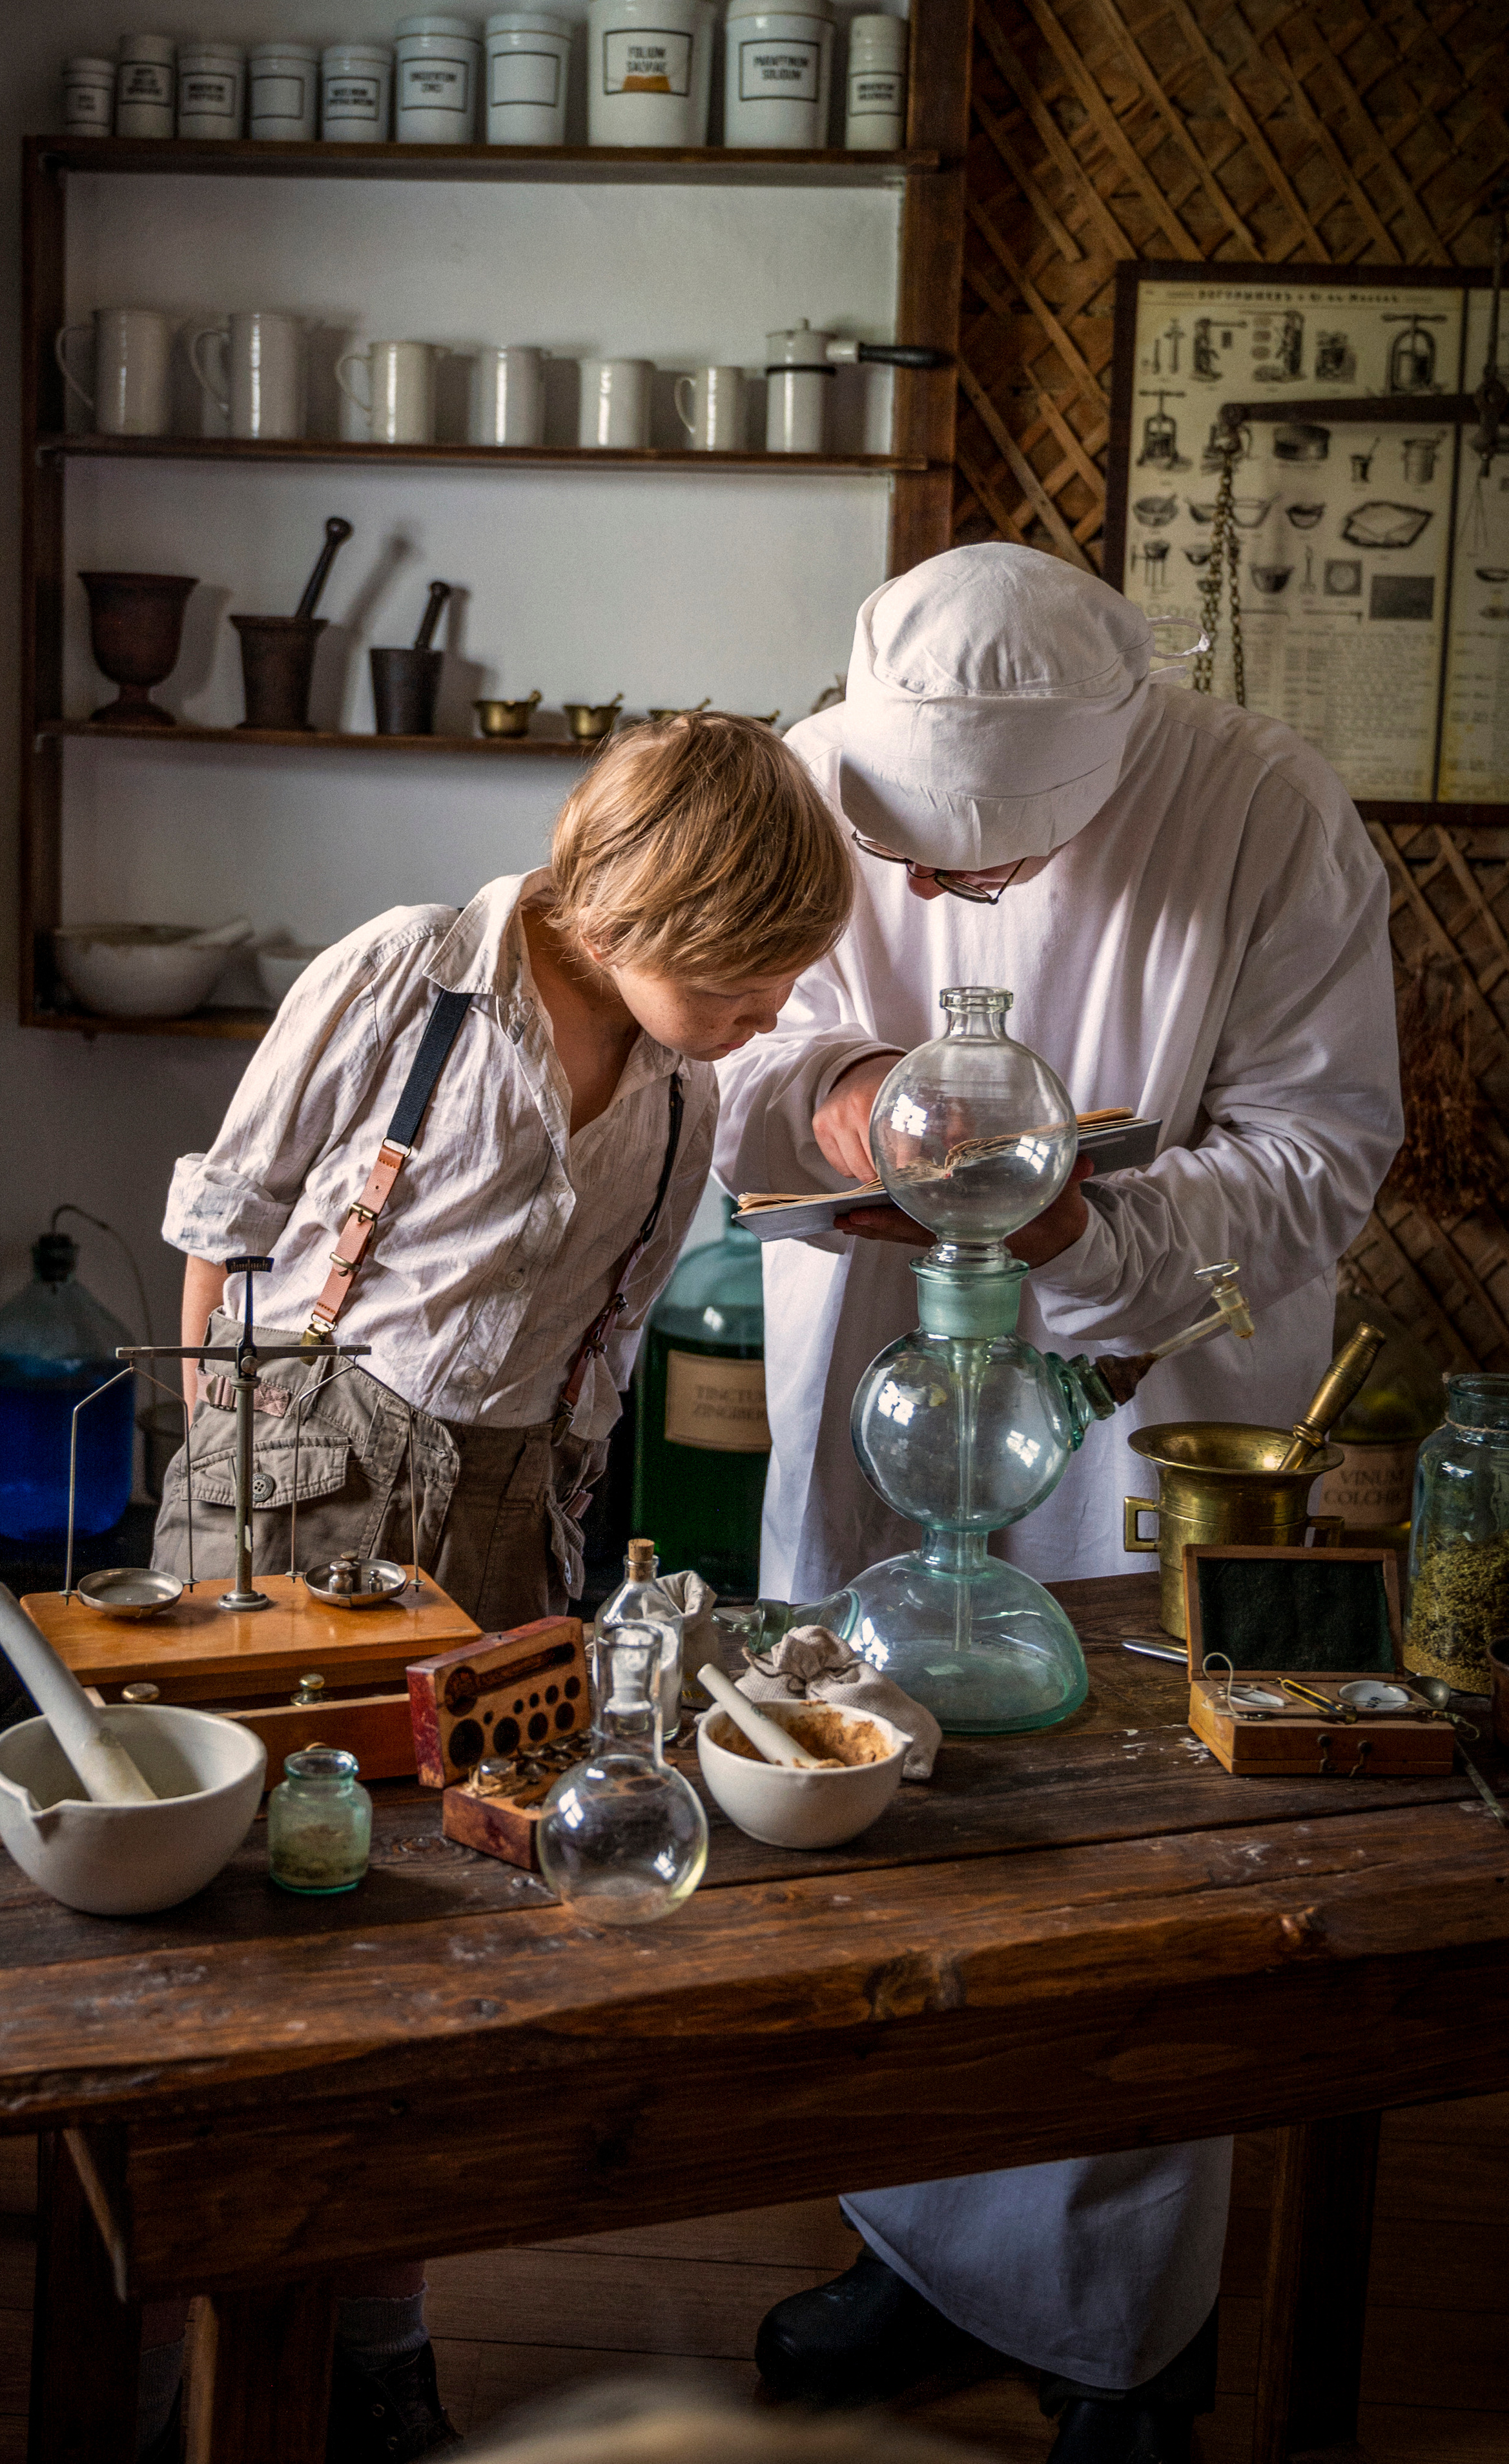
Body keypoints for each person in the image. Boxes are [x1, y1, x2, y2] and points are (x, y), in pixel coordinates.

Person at [715, 546, 1401, 2461]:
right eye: (914, 863)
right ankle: (916, 2247)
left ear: (1119, 763)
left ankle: (1127, 2333)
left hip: (1153, 1385)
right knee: (881, 1768)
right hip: (875, 1335)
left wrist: (1083, 1216)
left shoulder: (1262, 809)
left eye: (980, 874)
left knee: (1128, 1842)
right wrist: (852, 1103)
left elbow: (1324, 1155)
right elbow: (738, 1045)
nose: (936, 896)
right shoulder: (802, 780)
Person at [141, 712, 854, 2464]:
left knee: (429, 1951)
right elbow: (224, 1233)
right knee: (242, 1940)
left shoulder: (688, 1082)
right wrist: (235, 1507)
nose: (777, 1011)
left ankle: (380, 2337)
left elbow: (590, 1347)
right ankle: (191, 2368)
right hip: (296, 1490)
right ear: (633, 911)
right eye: (754, 974)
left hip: (508, 1512)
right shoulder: (408, 984)